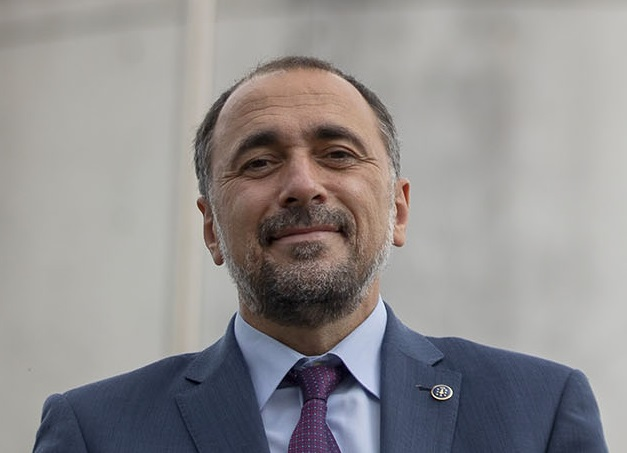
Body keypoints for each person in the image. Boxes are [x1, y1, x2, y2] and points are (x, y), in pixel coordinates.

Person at [33, 56, 608, 452]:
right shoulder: (96, 431)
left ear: (398, 210)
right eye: (259, 162)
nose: (303, 185)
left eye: (337, 154)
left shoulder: (539, 412)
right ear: (211, 228)